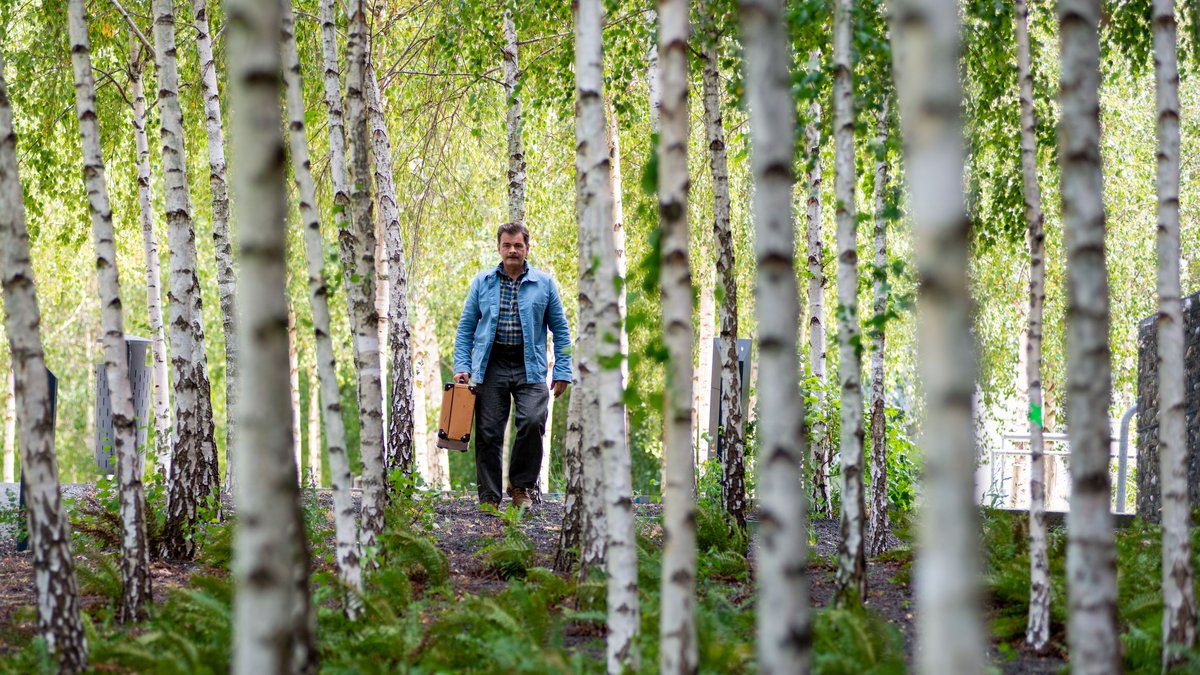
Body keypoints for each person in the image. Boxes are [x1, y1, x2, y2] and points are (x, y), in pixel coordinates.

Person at [454, 222, 571, 511]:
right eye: (507, 245)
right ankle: (490, 500)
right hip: (491, 365)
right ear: (499, 247)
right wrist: (462, 365)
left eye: (518, 245)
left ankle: (520, 488)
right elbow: (465, 328)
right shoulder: (483, 282)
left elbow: (562, 330)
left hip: (530, 365)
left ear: (527, 249)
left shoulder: (544, 284)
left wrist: (563, 371)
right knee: (489, 432)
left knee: (532, 422)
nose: (512, 250)